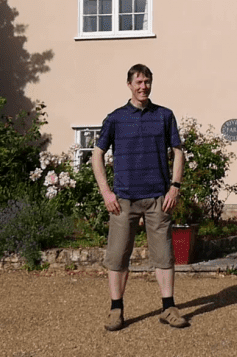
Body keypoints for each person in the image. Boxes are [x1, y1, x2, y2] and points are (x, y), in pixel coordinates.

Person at [92, 63, 189, 331]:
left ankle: (168, 308)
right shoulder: (115, 118)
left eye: (147, 81)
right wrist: (106, 193)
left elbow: (178, 152)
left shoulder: (164, 116)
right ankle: (116, 310)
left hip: (158, 198)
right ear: (129, 85)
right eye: (138, 82)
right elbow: (96, 155)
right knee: (117, 256)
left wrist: (175, 187)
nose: (143, 86)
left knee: (165, 256)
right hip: (123, 200)